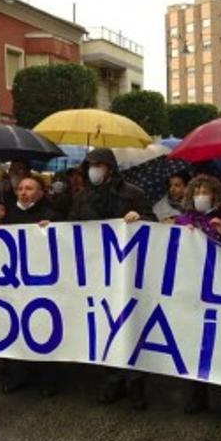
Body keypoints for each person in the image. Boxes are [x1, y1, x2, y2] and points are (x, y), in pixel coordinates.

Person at [68, 148, 154, 409]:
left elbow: (154, 223)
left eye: (98, 165)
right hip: (96, 272)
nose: (93, 169)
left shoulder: (133, 194)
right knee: (105, 326)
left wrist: (140, 218)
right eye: (90, 165)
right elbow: (69, 228)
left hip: (127, 271)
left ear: (110, 167)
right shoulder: (81, 198)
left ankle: (136, 384)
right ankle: (112, 381)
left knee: (130, 325)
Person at [174, 175, 221, 415]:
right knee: (196, 344)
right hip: (194, 290)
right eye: (196, 191)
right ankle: (197, 395)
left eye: (205, 191)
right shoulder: (183, 221)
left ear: (215, 195)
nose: (200, 196)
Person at [0, 176, 62, 396]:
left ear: (40, 193)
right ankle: (16, 375)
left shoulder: (51, 215)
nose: (23, 192)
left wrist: (54, 230)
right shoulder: (8, 216)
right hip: (15, 284)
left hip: (42, 284)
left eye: (29, 188)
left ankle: (48, 379)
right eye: (21, 188)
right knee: (15, 328)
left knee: (43, 328)